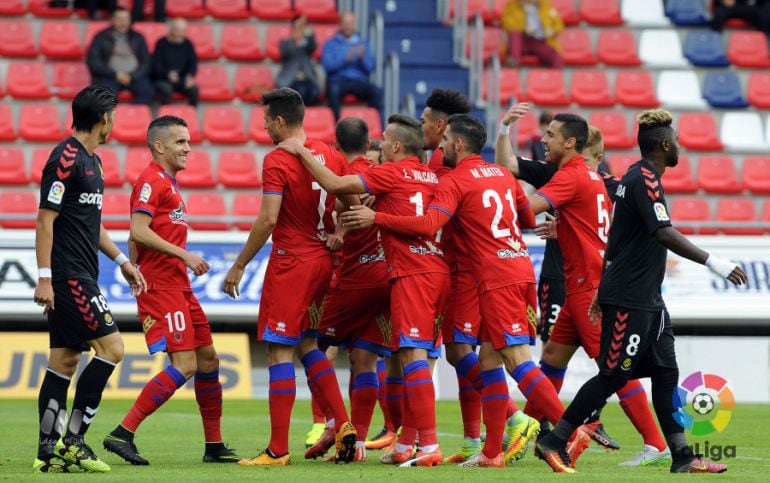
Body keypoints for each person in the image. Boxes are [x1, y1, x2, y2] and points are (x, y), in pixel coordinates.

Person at [340, 114, 568, 468]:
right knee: (478, 356)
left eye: (439, 130)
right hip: (514, 268)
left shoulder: (451, 176)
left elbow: (430, 222)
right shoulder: (500, 174)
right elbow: (525, 218)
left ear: (450, 135)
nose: (439, 139)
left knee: (473, 353)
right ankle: (481, 447)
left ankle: (553, 426)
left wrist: (379, 217)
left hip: (475, 275)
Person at [535, 109, 748, 474]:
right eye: (676, 141)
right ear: (665, 145)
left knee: (666, 373)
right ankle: (554, 441)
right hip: (631, 298)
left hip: (649, 298)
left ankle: (681, 456)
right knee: (614, 374)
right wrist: (716, 262)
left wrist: (601, 288)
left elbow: (614, 241)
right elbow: (663, 232)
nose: (679, 145)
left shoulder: (640, 178)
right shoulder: (642, 179)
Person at [499, 108, 669, 471]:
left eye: (550, 135)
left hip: (587, 287)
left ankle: (656, 444)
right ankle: (530, 430)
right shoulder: (590, 177)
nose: (543, 140)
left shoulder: (571, 177)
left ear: (570, 142)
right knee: (553, 358)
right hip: (585, 281)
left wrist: (494, 187)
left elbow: (525, 211)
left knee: (615, 369)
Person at [280, 114, 449, 467]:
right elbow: (428, 219)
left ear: (398, 145)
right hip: (429, 271)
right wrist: (374, 212)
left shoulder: (385, 172)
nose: (379, 144)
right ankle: (402, 442)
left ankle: (344, 428)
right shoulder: (432, 176)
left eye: (385, 139)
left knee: (310, 342)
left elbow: (334, 184)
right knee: (370, 357)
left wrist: (301, 152)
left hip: (399, 275)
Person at [221, 87, 357, 466]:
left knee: (278, 350)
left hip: (292, 264)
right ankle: (343, 424)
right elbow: (352, 203)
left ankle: (277, 449)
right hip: (324, 264)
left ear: (281, 121)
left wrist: (240, 264)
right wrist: (339, 236)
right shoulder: (330, 154)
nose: (264, 127)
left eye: (266, 120)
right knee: (309, 346)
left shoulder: (277, 159)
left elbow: (268, 218)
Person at [101, 116, 239, 466]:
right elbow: (139, 229)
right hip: (163, 287)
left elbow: (136, 237)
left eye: (188, 141)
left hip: (179, 285)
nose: (188, 148)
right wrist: (184, 256)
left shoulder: (169, 184)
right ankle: (123, 432)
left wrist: (136, 265)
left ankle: (213, 445)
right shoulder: (151, 181)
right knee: (186, 363)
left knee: (209, 359)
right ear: (159, 145)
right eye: (180, 142)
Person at [32, 85, 147, 473]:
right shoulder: (64, 158)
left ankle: (47, 451)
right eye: (112, 116)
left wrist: (120, 261)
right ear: (103, 119)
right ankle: (75, 441)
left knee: (64, 361)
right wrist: (45, 277)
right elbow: (45, 219)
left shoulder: (92, 162)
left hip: (83, 272)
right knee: (113, 349)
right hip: (70, 277)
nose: (113, 123)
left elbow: (91, 224)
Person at [420, 89, 537, 465]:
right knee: (466, 352)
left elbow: (433, 216)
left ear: (444, 129)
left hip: (470, 268)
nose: (421, 125)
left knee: (463, 350)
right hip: (485, 265)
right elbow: (526, 217)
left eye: (425, 121)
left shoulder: (447, 168)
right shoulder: (487, 171)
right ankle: (476, 441)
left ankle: (520, 419)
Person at [306, 117, 392, 463]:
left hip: (354, 277)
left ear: (336, 147)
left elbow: (344, 206)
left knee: (309, 344)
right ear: (370, 144)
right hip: (388, 274)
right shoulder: (384, 173)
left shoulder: (344, 177)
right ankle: (357, 446)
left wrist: (338, 233)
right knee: (363, 359)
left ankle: (334, 424)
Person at [321, 12, 382, 121]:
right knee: (333, 91)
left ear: (354, 25)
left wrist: (362, 59)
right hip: (338, 80)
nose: (348, 26)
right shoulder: (330, 43)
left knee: (376, 91)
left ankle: (370, 122)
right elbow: (327, 66)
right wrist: (345, 60)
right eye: (345, 23)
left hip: (358, 81)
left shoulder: (363, 43)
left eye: (351, 23)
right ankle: (337, 125)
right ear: (340, 25)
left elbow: (371, 67)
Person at [87, 8, 154, 106]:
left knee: (147, 91)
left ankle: (133, 117)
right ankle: (110, 119)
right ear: (112, 20)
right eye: (119, 18)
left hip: (135, 76)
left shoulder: (138, 37)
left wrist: (133, 76)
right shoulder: (101, 37)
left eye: (126, 18)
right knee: (104, 97)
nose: (123, 22)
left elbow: (146, 61)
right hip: (109, 76)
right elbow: (93, 61)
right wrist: (115, 74)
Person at [502, 0, 564, 68]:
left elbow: (559, 25)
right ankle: (514, 61)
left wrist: (552, 31)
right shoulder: (512, 6)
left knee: (557, 59)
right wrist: (524, 29)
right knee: (514, 33)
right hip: (521, 41)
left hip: (540, 41)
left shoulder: (546, 5)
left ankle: (549, 77)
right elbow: (508, 25)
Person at [152, 18, 199, 107]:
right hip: (163, 79)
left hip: (181, 79)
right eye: (178, 30)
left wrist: (190, 76)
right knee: (166, 89)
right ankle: (165, 119)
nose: (181, 33)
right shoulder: (161, 43)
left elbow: (193, 63)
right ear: (171, 30)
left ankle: (191, 115)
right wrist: (168, 74)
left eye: (183, 31)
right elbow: (155, 65)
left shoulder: (188, 43)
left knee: (194, 90)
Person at [277, 14, 320, 107]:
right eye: (298, 26)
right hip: (291, 78)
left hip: (307, 78)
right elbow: (284, 53)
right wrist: (295, 42)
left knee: (314, 91)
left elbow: (313, 47)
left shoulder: (308, 42)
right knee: (301, 92)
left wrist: (309, 33)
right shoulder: (286, 42)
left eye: (302, 25)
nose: (300, 28)